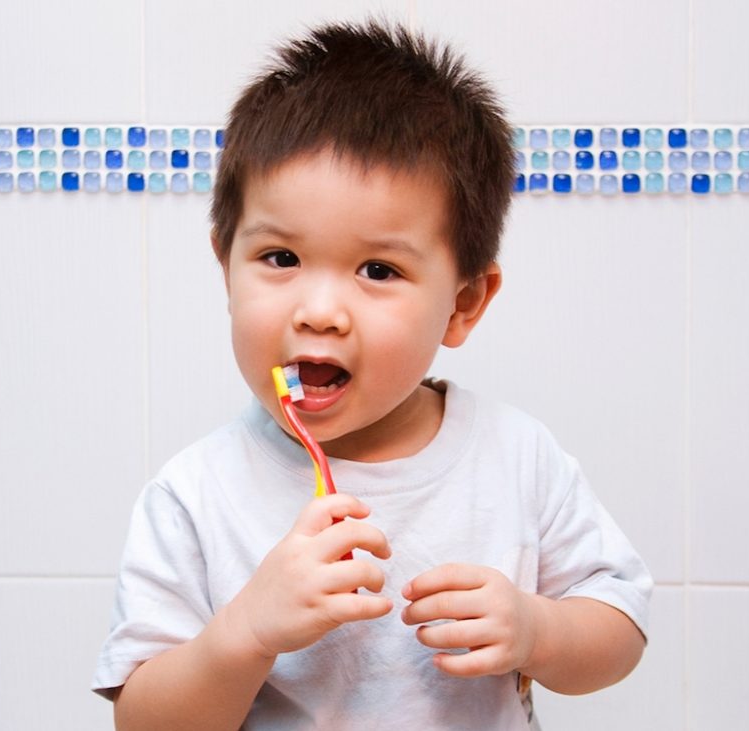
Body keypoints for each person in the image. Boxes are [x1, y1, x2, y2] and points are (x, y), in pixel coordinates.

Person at [92, 19, 652, 730]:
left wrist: (538, 630)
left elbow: (621, 628)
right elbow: (144, 720)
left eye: (378, 270)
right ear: (225, 267)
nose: (319, 311)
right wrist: (247, 632)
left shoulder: (516, 457)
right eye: (281, 258)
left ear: (463, 303)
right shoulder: (195, 496)